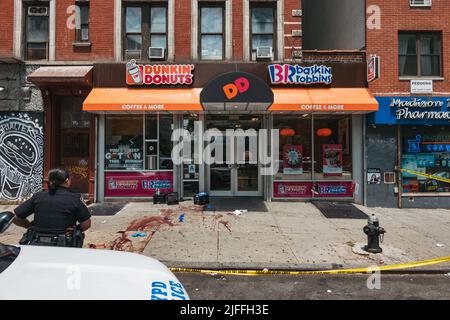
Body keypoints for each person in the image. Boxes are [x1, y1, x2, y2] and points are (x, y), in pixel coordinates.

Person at [12, 168, 91, 247]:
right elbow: (86, 224)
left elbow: (16, 218)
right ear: (67, 181)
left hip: (37, 244)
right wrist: (72, 232)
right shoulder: (75, 198)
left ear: (49, 181)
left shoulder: (38, 196)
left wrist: (30, 226)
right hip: (65, 246)